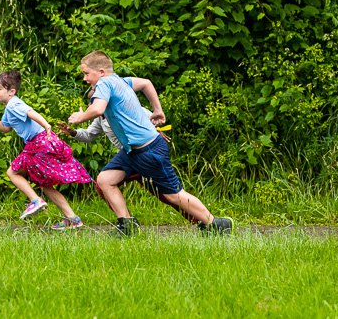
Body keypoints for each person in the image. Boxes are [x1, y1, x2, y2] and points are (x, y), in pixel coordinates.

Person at [68, 51, 234, 237]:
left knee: (173, 195)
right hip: (131, 151)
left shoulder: (105, 82)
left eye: (86, 73)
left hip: (148, 150)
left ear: (100, 71)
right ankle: (127, 226)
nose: (85, 79)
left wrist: (80, 117)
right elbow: (146, 83)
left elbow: (98, 108)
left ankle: (216, 224)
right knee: (105, 180)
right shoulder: (120, 81)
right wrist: (157, 110)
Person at [58, 90, 200, 224]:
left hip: (144, 153)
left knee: (167, 194)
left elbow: (150, 120)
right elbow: (89, 135)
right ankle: (127, 222)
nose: (90, 106)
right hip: (128, 158)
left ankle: (200, 220)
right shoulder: (101, 119)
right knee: (104, 185)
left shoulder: (125, 108)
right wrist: (72, 132)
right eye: (90, 102)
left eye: (93, 102)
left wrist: (156, 129)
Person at [0, 70, 93, 230]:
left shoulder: (14, 104)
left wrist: (46, 125)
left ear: (11, 91)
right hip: (44, 142)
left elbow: (30, 113)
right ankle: (72, 218)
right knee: (45, 184)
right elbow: (5, 128)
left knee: (12, 173)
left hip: (39, 142)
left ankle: (35, 201)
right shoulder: (8, 108)